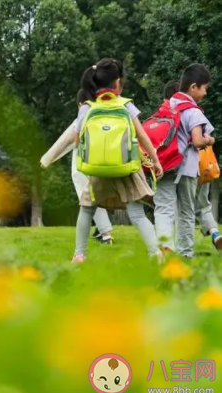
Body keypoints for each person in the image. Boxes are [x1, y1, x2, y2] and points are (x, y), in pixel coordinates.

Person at [71, 58, 163, 262]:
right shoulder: (126, 105)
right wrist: (155, 160)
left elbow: (78, 140)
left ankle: (79, 254)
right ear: (118, 83)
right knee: (137, 214)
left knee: (86, 210)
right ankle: (155, 254)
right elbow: (142, 136)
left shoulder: (87, 107)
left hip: (97, 170)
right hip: (126, 169)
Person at [154, 64, 217, 257]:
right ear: (193, 87)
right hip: (187, 168)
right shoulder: (193, 111)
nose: (205, 93)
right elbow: (198, 140)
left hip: (163, 164)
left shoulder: (168, 105)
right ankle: (185, 253)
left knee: (164, 209)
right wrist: (210, 140)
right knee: (186, 212)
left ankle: (165, 249)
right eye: (204, 88)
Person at [72, 90, 114, 244]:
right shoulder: (105, 115)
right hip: (104, 161)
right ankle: (101, 230)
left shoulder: (83, 115)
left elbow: (74, 141)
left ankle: (105, 233)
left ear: (80, 104)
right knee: (95, 196)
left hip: (84, 162)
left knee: (89, 197)